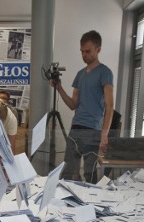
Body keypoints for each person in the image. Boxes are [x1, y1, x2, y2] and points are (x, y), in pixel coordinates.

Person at [54, 30, 114, 184]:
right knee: (67, 172)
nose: (84, 55)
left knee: (89, 174)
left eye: (88, 51)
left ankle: (89, 206)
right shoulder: (80, 74)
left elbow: (110, 105)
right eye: (82, 51)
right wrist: (59, 88)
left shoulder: (105, 73)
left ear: (98, 50)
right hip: (76, 128)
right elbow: (73, 104)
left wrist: (104, 135)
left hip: (93, 130)